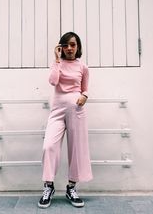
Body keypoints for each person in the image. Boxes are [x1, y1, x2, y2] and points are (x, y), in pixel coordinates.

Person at [38, 32, 93, 208]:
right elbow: (54, 82)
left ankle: (71, 187)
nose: (70, 48)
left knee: (76, 149)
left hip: (76, 110)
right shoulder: (58, 64)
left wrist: (84, 96)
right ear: (61, 47)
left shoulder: (83, 67)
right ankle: (49, 186)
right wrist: (56, 59)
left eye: (73, 45)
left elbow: (85, 89)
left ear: (78, 47)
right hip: (57, 111)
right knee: (49, 146)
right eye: (66, 45)